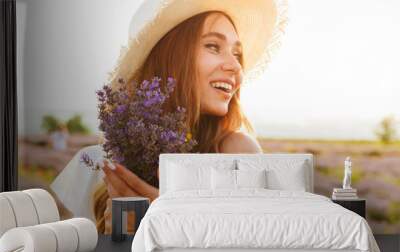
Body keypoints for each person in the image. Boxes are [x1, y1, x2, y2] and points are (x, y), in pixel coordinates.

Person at [51, 0, 287, 233]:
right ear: (170, 54)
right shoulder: (92, 167)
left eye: (237, 54)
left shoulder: (235, 153)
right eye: (213, 46)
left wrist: (170, 225)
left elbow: (255, 247)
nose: (236, 67)